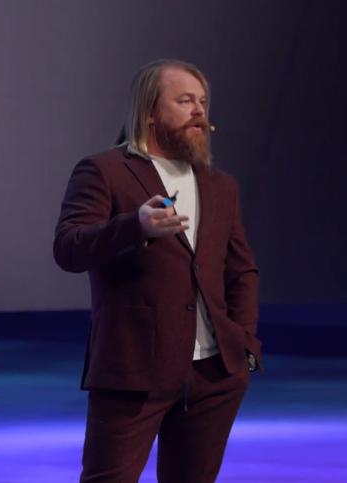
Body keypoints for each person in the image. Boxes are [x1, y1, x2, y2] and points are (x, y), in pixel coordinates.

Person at [53, 58, 261, 483]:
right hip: (134, 369)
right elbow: (69, 248)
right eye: (184, 101)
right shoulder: (104, 170)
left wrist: (243, 344)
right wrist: (135, 226)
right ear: (149, 111)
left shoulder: (220, 185)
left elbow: (241, 271)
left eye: (202, 101)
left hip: (213, 374)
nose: (199, 111)